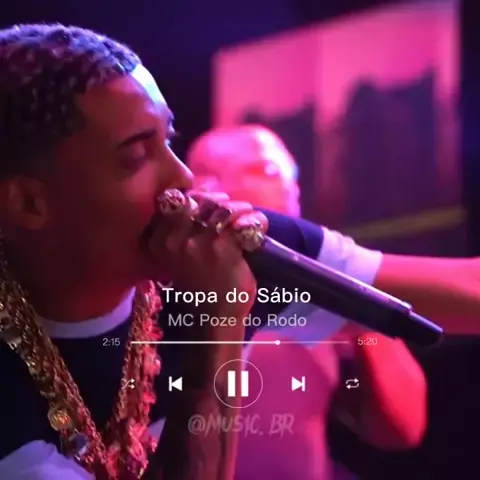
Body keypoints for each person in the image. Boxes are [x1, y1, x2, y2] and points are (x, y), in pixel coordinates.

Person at [0, 23, 478, 480]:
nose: (182, 179)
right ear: (28, 203)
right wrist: (218, 320)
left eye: (169, 141)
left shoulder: (225, 247)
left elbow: (465, 296)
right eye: (136, 156)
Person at [187, 125, 426, 479]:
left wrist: (359, 307)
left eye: (293, 174)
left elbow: (402, 428)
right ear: (207, 186)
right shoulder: (165, 287)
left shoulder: (316, 287)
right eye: (268, 170)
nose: (289, 185)